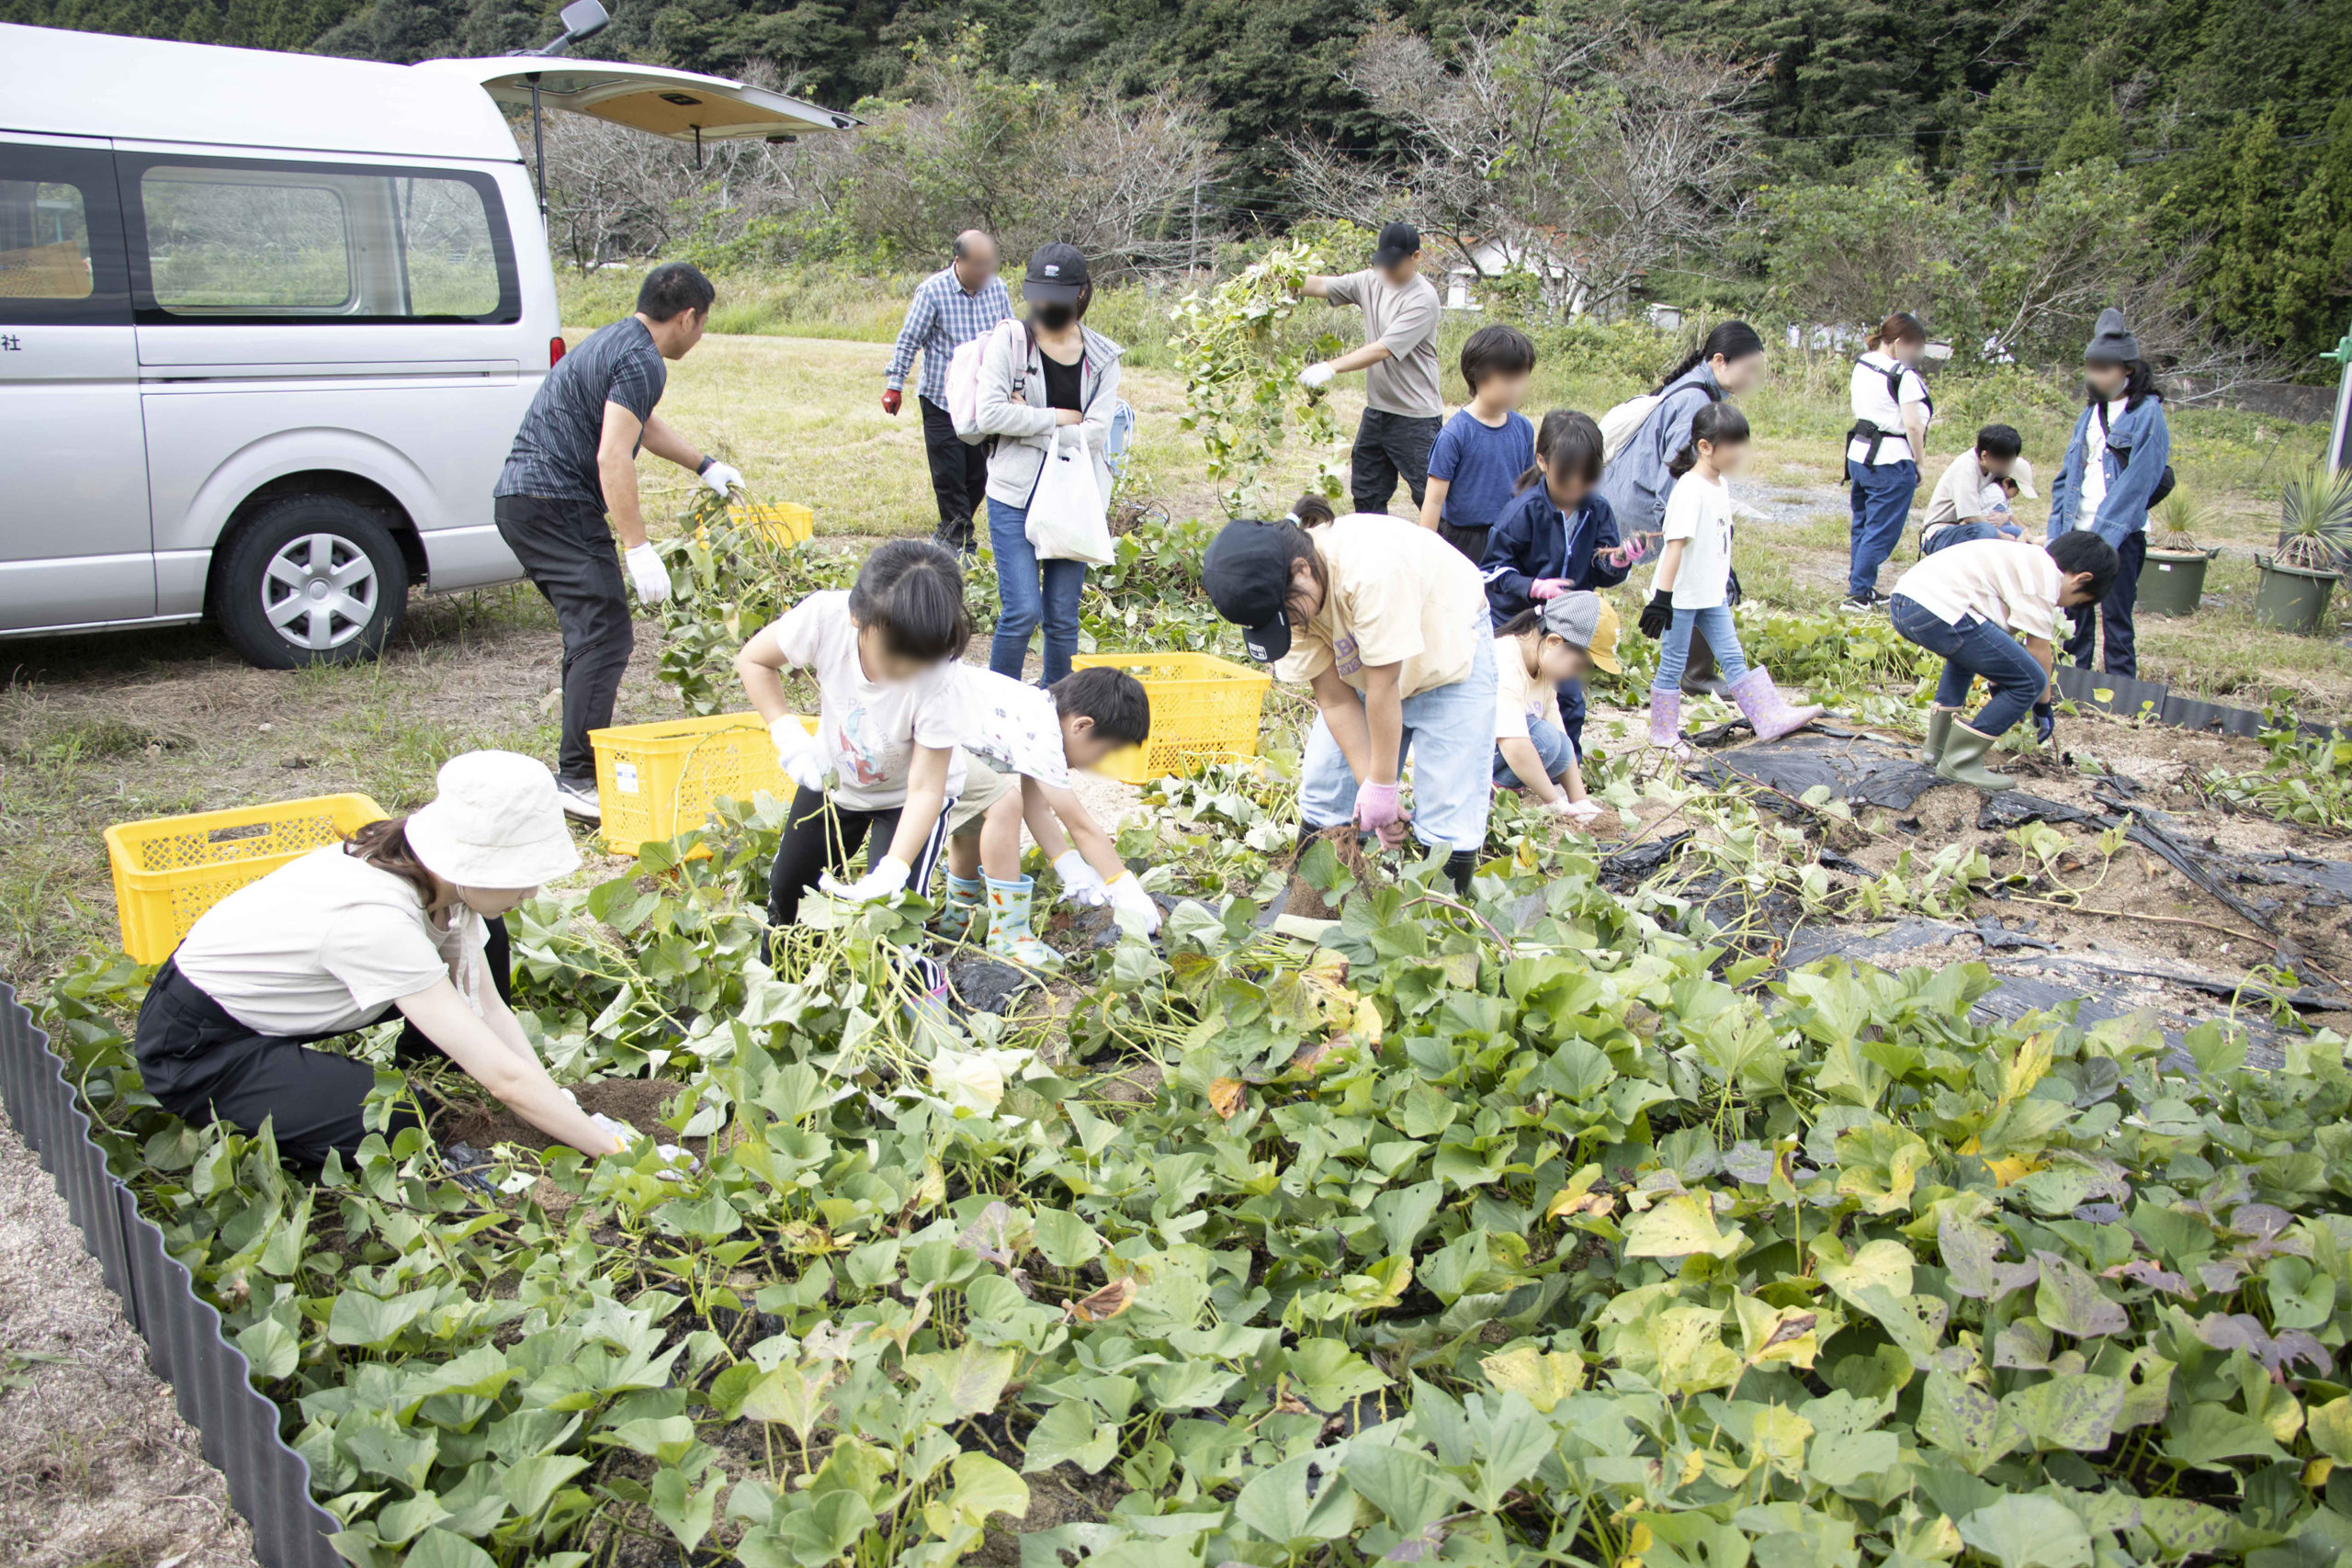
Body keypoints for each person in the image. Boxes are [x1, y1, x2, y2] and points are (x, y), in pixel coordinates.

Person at [132, 751, 639, 1166]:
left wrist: (560, 1103)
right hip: (200, 1049)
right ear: (467, 863)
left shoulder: (434, 878)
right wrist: (615, 1151)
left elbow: (487, 1006)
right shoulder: (374, 920)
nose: (531, 891)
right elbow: (506, 1079)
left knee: (490, 935)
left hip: (265, 1008)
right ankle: (289, 1123)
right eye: (520, 873)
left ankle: (443, 1067)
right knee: (397, 1121)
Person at [494, 263, 741, 822]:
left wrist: (705, 466)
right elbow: (612, 455)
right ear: (687, 317)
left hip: (528, 502)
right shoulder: (642, 360)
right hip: (553, 503)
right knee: (604, 631)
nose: (700, 337)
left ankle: (577, 767)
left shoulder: (618, 340)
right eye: (702, 325)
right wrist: (637, 546)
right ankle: (578, 776)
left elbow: (641, 426)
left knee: (593, 629)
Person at [1203, 510, 1497, 894]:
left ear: (1302, 569)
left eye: (1287, 614)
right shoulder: (1288, 609)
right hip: (1368, 665)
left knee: (1448, 807)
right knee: (1326, 784)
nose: (1288, 624)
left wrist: (1384, 782)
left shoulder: (1369, 570)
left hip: (1448, 653)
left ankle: (1439, 931)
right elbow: (1337, 702)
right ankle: (1313, 903)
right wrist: (1372, 789)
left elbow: (1384, 688)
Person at [735, 539, 971, 929]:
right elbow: (754, 659)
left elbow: (927, 788)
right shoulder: (824, 617)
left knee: (894, 916)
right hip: (834, 778)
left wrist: (894, 869)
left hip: (907, 798)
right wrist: (787, 733)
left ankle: (918, 985)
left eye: (921, 660)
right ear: (857, 618)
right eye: (894, 657)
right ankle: (784, 977)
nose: (906, 671)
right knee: (787, 890)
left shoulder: (942, 678)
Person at [970, 243, 1124, 687]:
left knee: (1062, 617)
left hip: (1073, 498)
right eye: (1036, 297)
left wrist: (1028, 420)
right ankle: (999, 711)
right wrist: (1060, 418)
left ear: (1080, 295)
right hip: (1014, 493)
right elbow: (990, 415)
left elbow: (1097, 432)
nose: (1043, 308)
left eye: (1054, 300)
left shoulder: (1101, 357)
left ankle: (1057, 706)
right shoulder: (1011, 340)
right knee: (1021, 610)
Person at [936, 664, 1160, 964]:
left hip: (934, 735)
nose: (1099, 762)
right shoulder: (1044, 734)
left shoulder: (1035, 712)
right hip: (922, 737)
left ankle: (959, 916)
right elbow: (1080, 827)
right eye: (1104, 751)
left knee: (982, 806)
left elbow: (1037, 807)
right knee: (1003, 803)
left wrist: (1070, 866)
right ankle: (1009, 933)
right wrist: (1125, 888)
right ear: (1081, 726)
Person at [1638, 404, 1824, 750]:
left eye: (1742, 443)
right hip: (1681, 595)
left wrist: (1726, 576)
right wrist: (1662, 599)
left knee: (1733, 655)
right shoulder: (1690, 490)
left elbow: (1719, 538)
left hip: (1711, 593)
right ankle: (1662, 734)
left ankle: (1767, 716)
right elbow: (1675, 546)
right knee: (1674, 661)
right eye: (1732, 444)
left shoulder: (1718, 484)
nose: (1739, 452)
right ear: (1705, 447)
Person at [1597, 321, 1767, 694]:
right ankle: (1697, 674)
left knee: (1705, 585)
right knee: (1700, 582)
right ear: (1720, 361)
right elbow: (1671, 482)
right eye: (1748, 368)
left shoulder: (1698, 391)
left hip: (1631, 495)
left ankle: (1696, 675)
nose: (1752, 378)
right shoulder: (1695, 402)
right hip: (1641, 505)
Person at [1890, 532, 2120, 791]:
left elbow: (1994, 650)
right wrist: (2043, 708)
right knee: (2031, 680)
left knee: (1964, 660)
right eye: (2076, 602)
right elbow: (2038, 652)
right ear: (2082, 579)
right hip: (1937, 608)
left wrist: (2001, 682)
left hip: (1906, 601)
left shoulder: (2023, 559)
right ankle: (1960, 762)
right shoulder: (2046, 580)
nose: (2064, 605)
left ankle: (1937, 749)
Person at [1479, 412, 1625, 758]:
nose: (1576, 488)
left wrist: (1617, 562)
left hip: (1567, 623)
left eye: (1586, 479)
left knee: (1569, 699)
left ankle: (1564, 764)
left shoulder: (1598, 511)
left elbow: (1604, 571)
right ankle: (1503, 764)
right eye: (1567, 479)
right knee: (1512, 697)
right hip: (1519, 622)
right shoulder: (1523, 512)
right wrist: (1532, 586)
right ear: (1542, 461)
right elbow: (1490, 572)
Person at [2048, 308, 2171, 677]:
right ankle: (2070, 679)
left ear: (2127, 370)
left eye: (2104, 369)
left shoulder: (2147, 413)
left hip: (2120, 534)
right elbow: (2068, 474)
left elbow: (2139, 483)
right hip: (2078, 527)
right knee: (2072, 615)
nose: (2095, 376)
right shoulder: (2090, 412)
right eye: (2091, 367)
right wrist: (2059, 531)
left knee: (2117, 616)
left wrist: (2106, 537)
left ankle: (2121, 688)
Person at [1295, 222, 1445, 518]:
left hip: (1415, 418)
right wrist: (1276, 278)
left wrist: (1330, 367)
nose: (1386, 273)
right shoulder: (1372, 280)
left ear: (1415, 257)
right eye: (1382, 265)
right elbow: (1320, 285)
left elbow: (1383, 348)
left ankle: (1449, 557)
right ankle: (1375, 557)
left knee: (1430, 498)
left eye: (1394, 266)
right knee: (1366, 495)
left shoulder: (1423, 299)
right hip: (1377, 413)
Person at [883, 231, 1012, 556]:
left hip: (983, 399)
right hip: (941, 400)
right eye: (979, 264)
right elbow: (910, 337)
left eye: (990, 263)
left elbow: (1010, 336)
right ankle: (961, 543)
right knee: (949, 474)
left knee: (979, 474)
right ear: (959, 261)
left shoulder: (997, 289)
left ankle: (948, 531)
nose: (986, 271)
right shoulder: (932, 291)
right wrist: (894, 384)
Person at [1493, 592, 1620, 821]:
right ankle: (1491, 796)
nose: (1576, 675)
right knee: (1545, 740)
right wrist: (1553, 801)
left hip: (1492, 753)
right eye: (1578, 666)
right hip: (1463, 759)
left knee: (1559, 745)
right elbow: (1514, 745)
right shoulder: (1504, 659)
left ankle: (1499, 793)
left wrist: (1580, 801)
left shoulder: (1543, 664)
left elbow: (1562, 740)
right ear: (1554, 642)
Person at [1841, 311, 1934, 612]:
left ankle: (1862, 587)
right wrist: (1920, 463)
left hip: (1859, 454)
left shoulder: (1862, 363)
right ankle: (1857, 595)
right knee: (1881, 531)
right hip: (1890, 460)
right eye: (1913, 347)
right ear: (1897, 342)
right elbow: (1913, 426)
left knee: (1864, 524)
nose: (1915, 355)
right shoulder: (1902, 376)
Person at [1420, 324, 1537, 561]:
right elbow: (1433, 500)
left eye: (1521, 378)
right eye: (1507, 379)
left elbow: (1528, 489)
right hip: (1462, 538)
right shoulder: (1456, 434)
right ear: (1477, 375)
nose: (1515, 388)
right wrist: (1424, 554)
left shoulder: (1523, 429)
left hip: (1507, 534)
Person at [1922, 426, 2036, 555]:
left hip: (1969, 528)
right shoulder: (1966, 468)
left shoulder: (1994, 467)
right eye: (2004, 463)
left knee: (2014, 531)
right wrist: (2004, 537)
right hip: (1941, 534)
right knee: (1987, 531)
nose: (2007, 467)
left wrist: (2008, 520)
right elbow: (1970, 517)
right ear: (1984, 455)